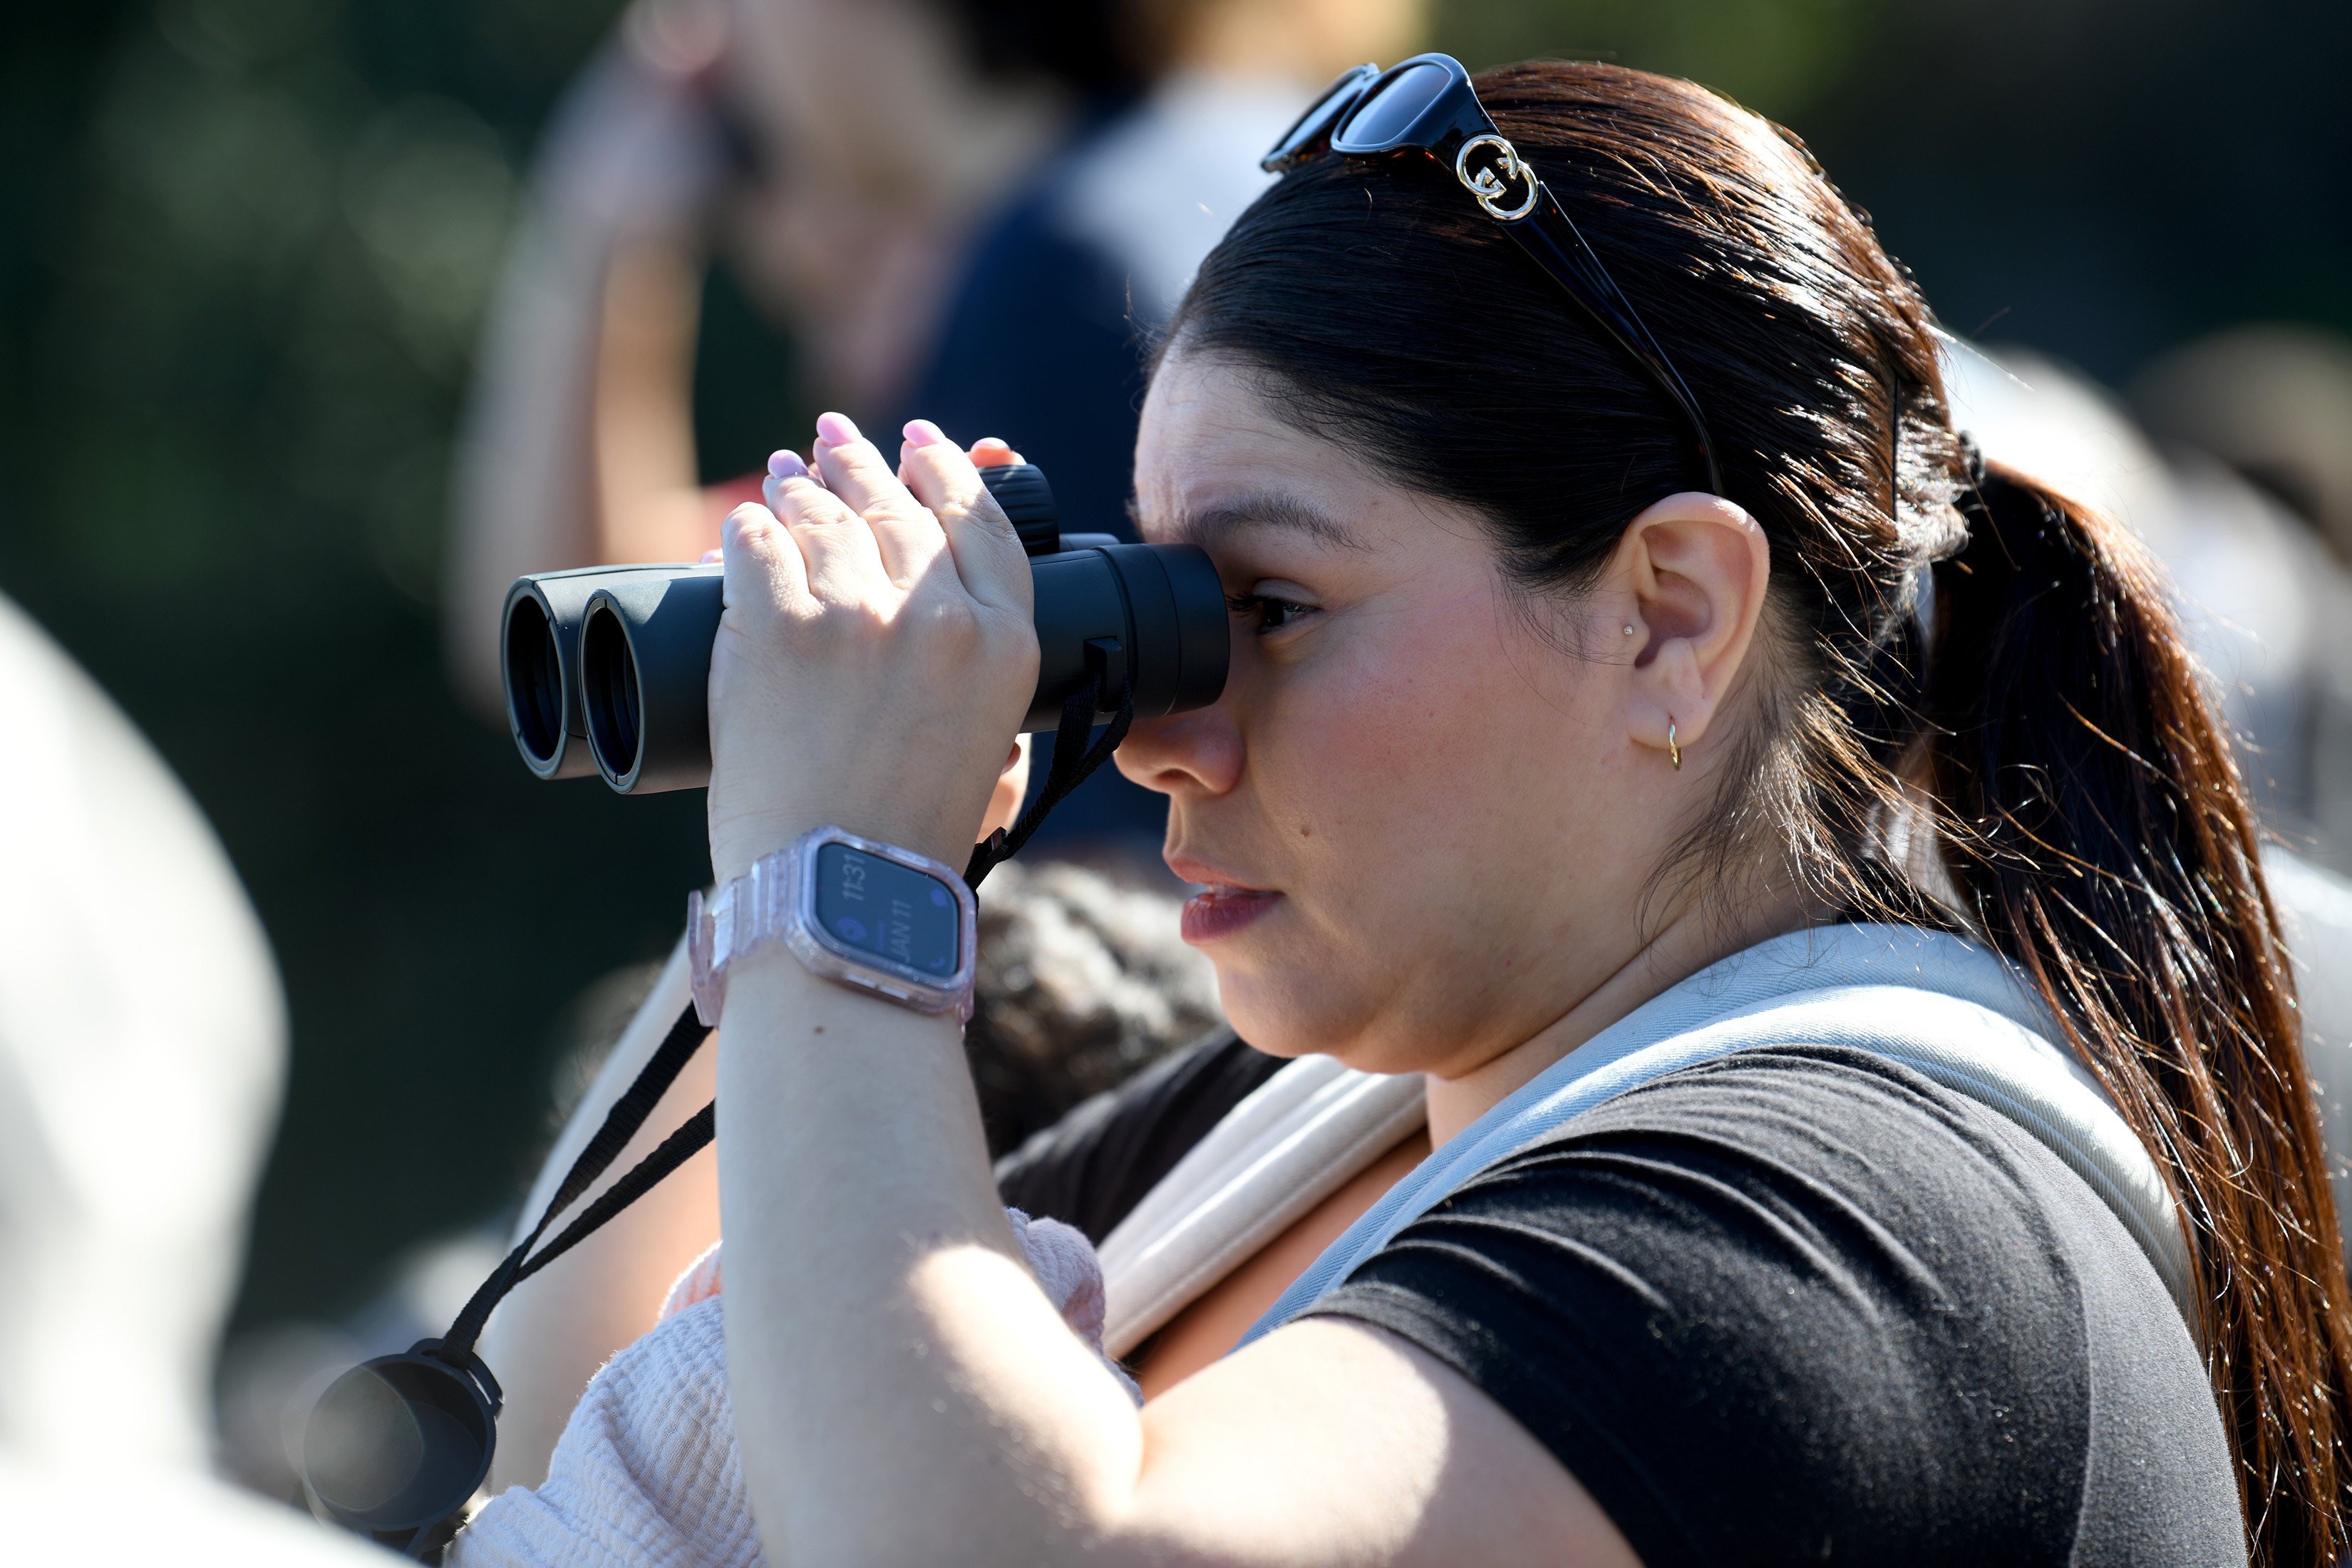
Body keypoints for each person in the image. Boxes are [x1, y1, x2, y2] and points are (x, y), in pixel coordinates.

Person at [454, 58, 2348, 1564]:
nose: (1162, 742)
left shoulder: (1854, 1231)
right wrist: (865, 814)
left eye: (1266, 609)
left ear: (1669, 621)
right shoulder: (1306, 1123)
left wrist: (837, 895)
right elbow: (737, 1415)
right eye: (1164, 611)